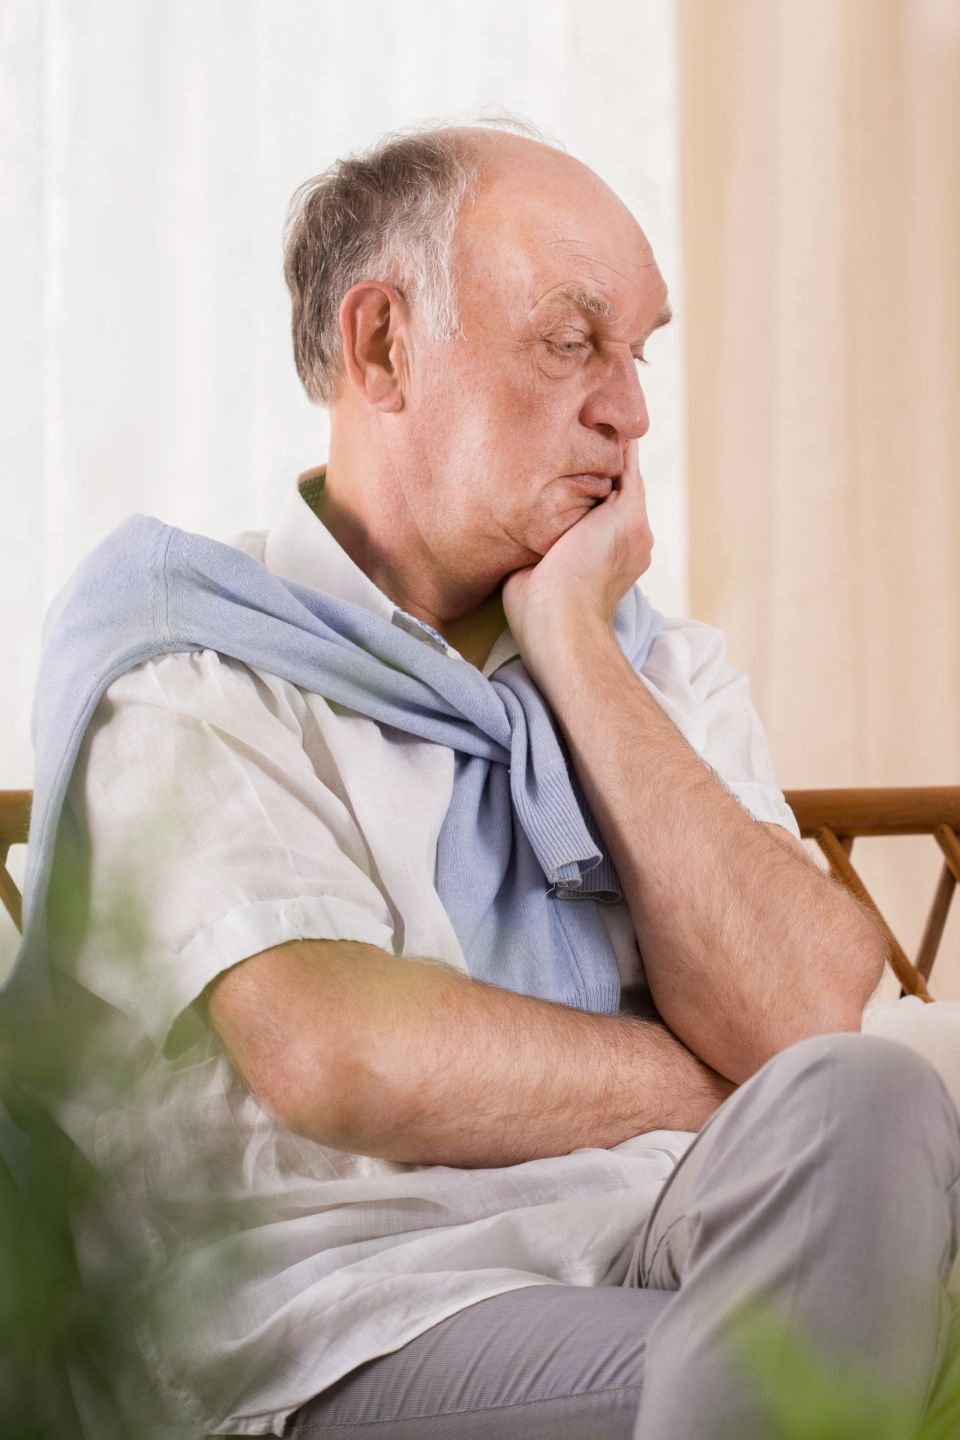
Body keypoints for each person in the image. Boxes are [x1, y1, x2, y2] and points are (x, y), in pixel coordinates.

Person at [19, 119, 960, 1438]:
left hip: (670, 1230)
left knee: (874, 1094)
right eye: (573, 340)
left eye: (640, 353)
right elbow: (341, 1053)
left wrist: (575, 648)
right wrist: (706, 1071)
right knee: (808, 1374)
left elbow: (808, 1025)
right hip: (364, 1308)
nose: (629, 409)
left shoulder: (652, 669)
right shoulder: (189, 665)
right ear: (384, 346)